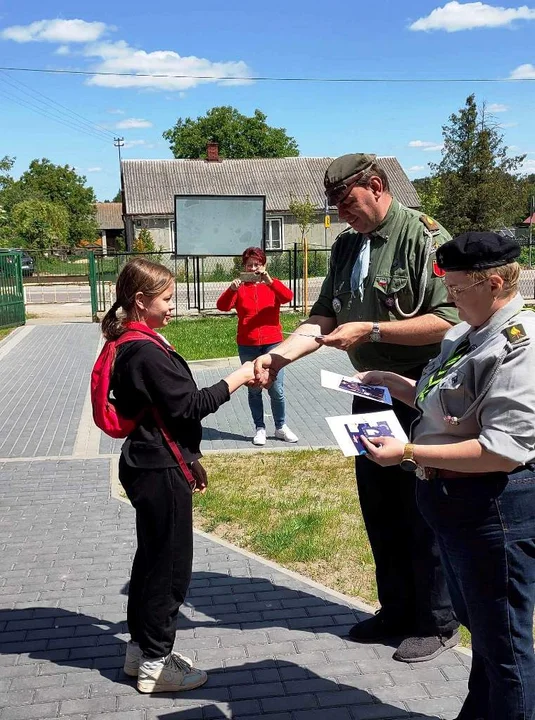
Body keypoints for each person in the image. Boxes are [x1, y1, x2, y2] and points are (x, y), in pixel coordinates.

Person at [253, 153, 460, 662]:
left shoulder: (426, 237)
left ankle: (436, 622)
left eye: (348, 203)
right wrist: (277, 357)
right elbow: (322, 317)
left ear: (376, 186)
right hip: (366, 391)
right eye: (336, 206)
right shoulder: (347, 246)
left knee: (423, 508)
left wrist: (372, 330)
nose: (342, 214)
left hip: (423, 392)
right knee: (379, 504)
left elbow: (451, 319)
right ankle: (394, 610)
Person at [359, 231, 535, 720]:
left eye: (456, 290)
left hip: (493, 507)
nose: (450, 301)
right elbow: (448, 399)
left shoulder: (519, 346)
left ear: (493, 283)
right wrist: (394, 383)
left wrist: (410, 451)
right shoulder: (466, 333)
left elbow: (503, 450)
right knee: (482, 627)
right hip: (454, 505)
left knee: (506, 645)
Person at [101, 258, 255, 693]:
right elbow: (189, 405)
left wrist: (189, 459)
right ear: (140, 300)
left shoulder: (130, 341)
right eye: (166, 299)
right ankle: (156, 665)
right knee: (169, 570)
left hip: (152, 461)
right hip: (156, 469)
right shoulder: (145, 351)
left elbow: (161, 417)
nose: (173, 306)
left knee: (150, 560)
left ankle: (140, 652)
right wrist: (240, 376)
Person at [216, 246, 298, 446]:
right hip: (248, 345)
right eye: (249, 265)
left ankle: (280, 427)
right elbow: (222, 306)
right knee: (254, 389)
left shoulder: (271, 285)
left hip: (273, 344)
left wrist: (270, 281)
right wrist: (231, 289)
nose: (253, 269)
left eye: (257, 265)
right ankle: (259, 428)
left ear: (264, 265)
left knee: (276, 388)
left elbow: (288, 297)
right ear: (243, 267)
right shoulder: (240, 288)